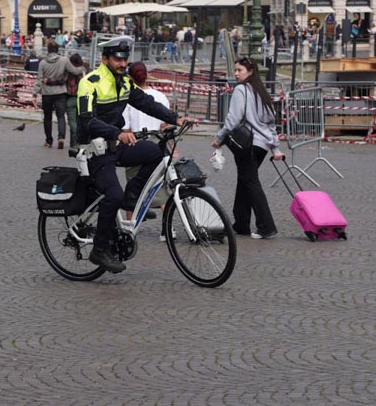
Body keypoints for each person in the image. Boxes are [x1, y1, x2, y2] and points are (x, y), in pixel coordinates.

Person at [77, 36, 193, 273]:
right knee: (113, 195)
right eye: (117, 59)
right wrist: (117, 133)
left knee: (155, 152)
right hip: (95, 150)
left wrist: (176, 118)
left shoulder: (124, 83)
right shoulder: (90, 82)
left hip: (117, 144)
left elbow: (147, 103)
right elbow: (86, 120)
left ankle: (133, 196)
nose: (122, 64)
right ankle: (100, 250)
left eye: (125, 59)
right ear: (105, 59)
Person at [211, 57, 284, 239]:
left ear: (250, 71)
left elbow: (233, 119)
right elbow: (271, 123)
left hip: (247, 144)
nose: (236, 74)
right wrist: (275, 148)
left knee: (250, 182)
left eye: (240, 70)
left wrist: (219, 138)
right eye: (235, 70)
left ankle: (266, 226)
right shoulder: (261, 91)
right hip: (262, 146)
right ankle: (241, 223)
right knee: (244, 180)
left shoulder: (241, 90)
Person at [36, 41, 74, 150]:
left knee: (47, 117)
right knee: (61, 116)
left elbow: (39, 80)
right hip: (60, 92)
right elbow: (73, 71)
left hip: (47, 93)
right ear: (57, 50)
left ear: (48, 50)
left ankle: (49, 140)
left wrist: (34, 93)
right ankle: (61, 137)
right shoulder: (64, 60)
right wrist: (81, 69)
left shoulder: (42, 63)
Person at [64, 52, 85, 147]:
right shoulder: (83, 71)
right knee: (79, 121)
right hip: (82, 99)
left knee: (72, 122)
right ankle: (77, 142)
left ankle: (73, 143)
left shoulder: (68, 72)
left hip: (70, 98)